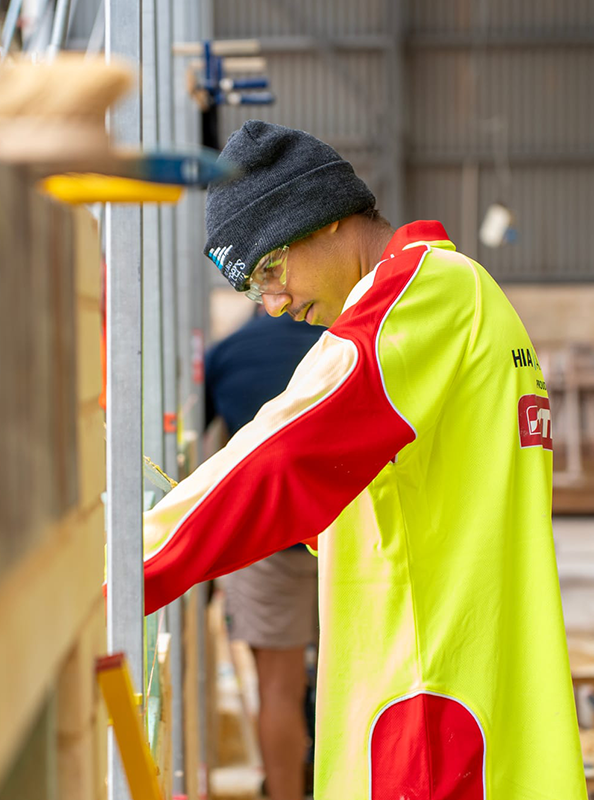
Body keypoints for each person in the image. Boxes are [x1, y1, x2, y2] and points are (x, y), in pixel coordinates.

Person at [140, 121, 585, 798]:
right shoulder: (471, 297)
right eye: (254, 289)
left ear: (324, 221)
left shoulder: (415, 302)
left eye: (270, 269)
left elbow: (283, 452)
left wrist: (125, 566)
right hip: (472, 699)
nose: (275, 304)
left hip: (428, 717)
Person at [205, 308, 322, 800]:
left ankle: (286, 792)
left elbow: (214, 448)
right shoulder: (341, 343)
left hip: (267, 539)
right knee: (357, 672)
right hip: (351, 536)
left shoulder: (229, 353)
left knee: (279, 687)